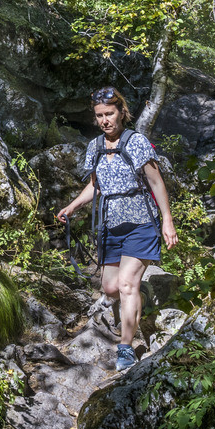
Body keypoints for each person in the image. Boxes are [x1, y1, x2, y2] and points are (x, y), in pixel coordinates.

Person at [56, 86, 177, 371]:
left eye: (109, 114)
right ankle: (142, 295)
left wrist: (167, 220)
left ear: (121, 112)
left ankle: (125, 347)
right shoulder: (95, 146)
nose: (104, 120)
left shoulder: (136, 142)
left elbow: (157, 182)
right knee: (110, 288)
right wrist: (73, 206)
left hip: (140, 223)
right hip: (110, 225)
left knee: (126, 285)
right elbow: (95, 185)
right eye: (99, 115)